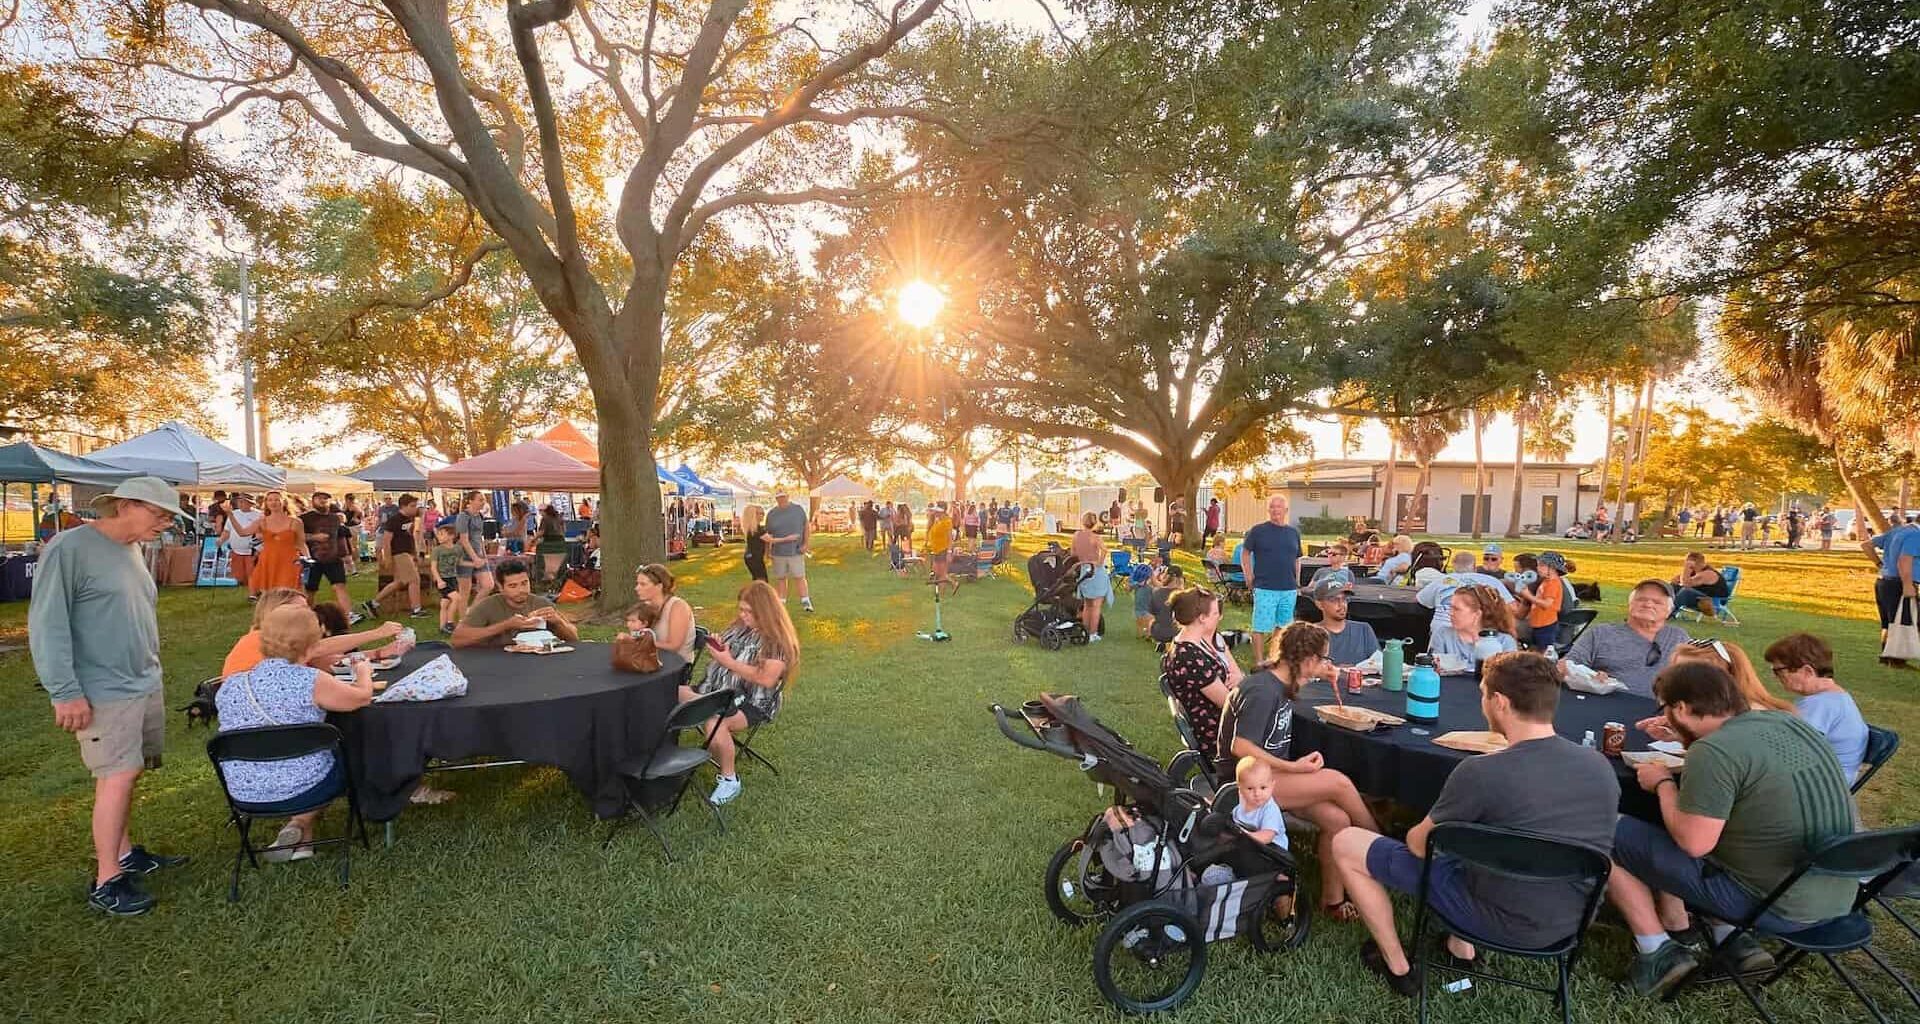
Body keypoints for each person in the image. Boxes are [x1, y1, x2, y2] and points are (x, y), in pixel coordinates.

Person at [1330, 651, 1619, 997]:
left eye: (1483, 694)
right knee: (1486, 846)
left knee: (1347, 842)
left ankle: (1399, 967)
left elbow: (1419, 846)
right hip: (1570, 922)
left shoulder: (1481, 772)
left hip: (1494, 918)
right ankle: (1460, 950)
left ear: (1499, 702)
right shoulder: (1600, 767)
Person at [1607, 660, 1858, 997]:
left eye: (1665, 709)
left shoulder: (1715, 751)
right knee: (1715, 826)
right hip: (1835, 895)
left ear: (1680, 708)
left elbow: (1693, 844)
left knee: (1603, 828)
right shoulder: (1788, 722)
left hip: (1777, 906)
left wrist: (1664, 783)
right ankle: (1733, 941)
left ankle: (1658, 951)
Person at [28, 477, 193, 916]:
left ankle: (123, 853)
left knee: (131, 771)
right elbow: (47, 624)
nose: (165, 523)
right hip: (103, 688)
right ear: (124, 506)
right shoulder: (69, 549)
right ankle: (107, 879)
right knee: (116, 775)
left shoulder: (133, 549)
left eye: (168, 517)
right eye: (158, 514)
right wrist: (64, 692)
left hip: (140, 680)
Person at [1215, 622, 1380, 918]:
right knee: (1338, 783)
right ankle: (1381, 847)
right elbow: (1240, 747)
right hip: (1248, 781)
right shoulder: (1263, 690)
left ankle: (1332, 902)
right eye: (1324, 659)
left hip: (1272, 776)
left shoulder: (1281, 680)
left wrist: (1323, 674)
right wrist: (1293, 767)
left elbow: (1301, 680)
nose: (1327, 664)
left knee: (1338, 819)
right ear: (1307, 660)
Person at [214, 603, 376, 861]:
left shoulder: (231, 685)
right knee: (338, 754)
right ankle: (300, 823)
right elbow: (361, 698)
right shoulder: (310, 681)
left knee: (297, 757)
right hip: (306, 788)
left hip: (244, 792)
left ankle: (303, 844)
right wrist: (363, 672)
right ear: (312, 646)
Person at [686, 581, 798, 805]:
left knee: (715, 723)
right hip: (716, 689)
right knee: (669, 693)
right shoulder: (740, 627)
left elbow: (766, 679)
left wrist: (727, 661)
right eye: (741, 609)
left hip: (752, 701)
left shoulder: (776, 641)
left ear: (765, 611)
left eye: (749, 611)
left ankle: (729, 779)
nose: (743, 615)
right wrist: (720, 646)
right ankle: (663, 755)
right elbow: (728, 655)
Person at [223, 587, 405, 676]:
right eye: (298, 610)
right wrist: (377, 633)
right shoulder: (259, 638)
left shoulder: (280, 639)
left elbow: (325, 662)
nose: (308, 614)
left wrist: (377, 653)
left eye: (306, 608)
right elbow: (319, 648)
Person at [1765, 633, 1869, 781]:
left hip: (1822, 784)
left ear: (1807, 671)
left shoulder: (1821, 704)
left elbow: (1789, 749)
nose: (1774, 677)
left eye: (1779, 671)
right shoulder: (1834, 697)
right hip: (1828, 779)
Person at [1561, 580, 1689, 698]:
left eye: (1657, 602)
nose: (1648, 604)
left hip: (1658, 712)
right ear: (1630, 604)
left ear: (1669, 610)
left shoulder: (1678, 637)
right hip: (1606, 704)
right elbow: (1568, 665)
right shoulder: (1600, 633)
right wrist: (1590, 676)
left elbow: (1693, 678)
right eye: (1641, 599)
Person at [1160, 589, 1242, 756]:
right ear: (1202, 618)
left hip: (1217, 722)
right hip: (1217, 733)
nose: (1219, 617)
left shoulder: (1191, 645)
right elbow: (1228, 704)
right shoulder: (1189, 656)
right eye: (1215, 613)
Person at [452, 560, 578, 648]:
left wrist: (558, 622)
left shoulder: (542, 603)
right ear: (501, 587)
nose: (521, 590)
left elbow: (574, 639)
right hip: (496, 663)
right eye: (513, 586)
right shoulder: (488, 605)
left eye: (524, 583)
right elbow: (457, 640)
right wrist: (506, 626)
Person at [1240, 495, 1305, 655]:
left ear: (1286, 510)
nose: (1275, 510)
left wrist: (1296, 582)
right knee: (1260, 627)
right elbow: (1245, 553)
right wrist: (1248, 576)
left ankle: (1273, 657)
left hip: (1288, 588)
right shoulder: (1258, 531)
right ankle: (1259, 663)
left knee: (1283, 627)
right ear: (1268, 510)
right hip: (1265, 587)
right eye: (1272, 507)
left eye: (1279, 507)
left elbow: (1297, 559)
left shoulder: (1293, 533)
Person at [1864, 513, 1919, 668]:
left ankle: (1887, 657)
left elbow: (1866, 545)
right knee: (1904, 621)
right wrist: (1908, 585)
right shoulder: (1916, 535)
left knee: (1888, 622)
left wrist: (1879, 564)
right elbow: (1904, 560)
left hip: (1883, 581)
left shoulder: (1898, 531)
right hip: (1899, 583)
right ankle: (1896, 660)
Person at [231, 489, 306, 595]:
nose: (273, 502)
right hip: (268, 560)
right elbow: (242, 532)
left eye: (276, 500)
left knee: (291, 591)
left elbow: (301, 544)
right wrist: (230, 514)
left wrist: (308, 559)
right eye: (270, 500)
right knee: (269, 593)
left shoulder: (296, 522)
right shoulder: (262, 521)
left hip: (289, 560)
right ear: (266, 503)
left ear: (284, 502)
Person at [1427, 585, 1518, 672]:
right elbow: (1431, 668)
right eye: (1451, 608)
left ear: (1477, 614)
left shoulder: (1504, 642)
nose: (1450, 613)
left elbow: (1509, 678)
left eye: (1456, 609)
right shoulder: (1442, 634)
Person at [298, 492, 358, 622]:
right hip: (312, 559)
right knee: (310, 590)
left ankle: (348, 615)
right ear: (313, 501)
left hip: (333, 558)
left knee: (339, 586)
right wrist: (314, 537)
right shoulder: (304, 518)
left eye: (325, 498)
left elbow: (340, 537)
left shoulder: (335, 518)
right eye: (319, 498)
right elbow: (297, 537)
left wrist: (348, 552)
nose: (323, 501)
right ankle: (306, 616)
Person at [364, 494, 425, 620]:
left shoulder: (410, 519)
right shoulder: (394, 520)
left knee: (400, 582)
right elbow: (386, 540)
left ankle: (373, 603)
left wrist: (414, 553)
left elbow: (410, 537)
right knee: (414, 579)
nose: (414, 509)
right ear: (403, 506)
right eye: (412, 506)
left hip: (407, 552)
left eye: (415, 506)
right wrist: (387, 558)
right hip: (399, 553)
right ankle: (416, 609)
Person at [625, 563, 697, 663]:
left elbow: (674, 646)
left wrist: (642, 643)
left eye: (643, 584)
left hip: (676, 665)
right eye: (637, 583)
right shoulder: (646, 606)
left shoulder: (678, 607)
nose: (636, 588)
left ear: (659, 586)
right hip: (651, 659)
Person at [1305, 576, 1381, 666]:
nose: (1342, 605)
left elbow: (1379, 664)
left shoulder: (1364, 629)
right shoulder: (1310, 634)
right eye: (1334, 600)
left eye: (1344, 599)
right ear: (1319, 604)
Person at [763, 491, 813, 613]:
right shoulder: (772, 513)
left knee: (799, 576)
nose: (781, 499)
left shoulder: (798, 509)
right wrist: (767, 550)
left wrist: (805, 544)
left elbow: (806, 527)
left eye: (783, 497)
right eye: (778, 497)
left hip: (795, 550)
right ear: (776, 499)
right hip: (778, 552)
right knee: (781, 578)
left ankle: (806, 601)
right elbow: (767, 535)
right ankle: (782, 603)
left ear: (788, 497)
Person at [1230, 757, 1291, 853]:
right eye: (1250, 788)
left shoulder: (1270, 810)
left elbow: (1267, 836)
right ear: (1240, 789)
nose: (1257, 794)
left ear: (1272, 786)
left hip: (1272, 854)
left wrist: (1244, 837)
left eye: (1263, 788)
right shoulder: (1243, 801)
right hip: (1250, 850)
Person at [1070, 512, 1111, 642]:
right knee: (1096, 605)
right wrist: (1099, 562)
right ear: (1094, 523)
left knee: (1087, 604)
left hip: (1083, 570)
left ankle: (1085, 631)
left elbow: (1073, 553)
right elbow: (1104, 550)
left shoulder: (1076, 536)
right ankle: (1093, 633)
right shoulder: (1096, 537)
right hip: (1095, 571)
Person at [1515, 550, 1568, 650]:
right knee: (1535, 649)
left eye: (1541, 565)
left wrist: (1528, 595)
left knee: (1543, 652)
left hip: (1546, 625)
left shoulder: (1553, 583)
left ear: (1552, 568)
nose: (1538, 568)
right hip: (1538, 623)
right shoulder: (1546, 582)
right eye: (1538, 565)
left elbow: (1547, 604)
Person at [452, 491, 496, 608]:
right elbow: (464, 540)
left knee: (488, 585)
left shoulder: (480, 516)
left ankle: (471, 612)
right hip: (465, 556)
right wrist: (475, 558)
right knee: (465, 592)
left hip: (478, 554)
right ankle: (463, 619)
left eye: (483, 500)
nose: (483, 502)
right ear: (470, 501)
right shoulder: (463, 516)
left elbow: (479, 537)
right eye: (480, 500)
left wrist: (484, 555)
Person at [427, 522, 469, 634]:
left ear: (451, 536)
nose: (439, 537)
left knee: (445, 603)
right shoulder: (437, 550)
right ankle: (450, 623)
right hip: (442, 579)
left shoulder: (457, 549)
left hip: (452, 578)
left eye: (442, 534)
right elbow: (433, 567)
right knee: (456, 598)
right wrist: (439, 580)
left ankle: (442, 627)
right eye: (438, 534)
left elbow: (460, 562)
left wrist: (474, 564)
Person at [1669, 552, 1732, 619]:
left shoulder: (1708, 574)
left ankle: (1669, 613)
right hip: (1701, 598)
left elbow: (1686, 584)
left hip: (1712, 602)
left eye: (1687, 562)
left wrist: (1686, 568)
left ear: (1694, 563)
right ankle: (1664, 608)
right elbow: (1678, 581)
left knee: (1686, 591)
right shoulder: (1696, 570)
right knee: (1673, 587)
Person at [224, 493, 262, 598]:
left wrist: (258, 547)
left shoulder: (259, 515)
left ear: (250, 503)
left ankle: (252, 594)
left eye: (242, 501)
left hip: (252, 549)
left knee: (251, 572)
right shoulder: (234, 514)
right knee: (240, 576)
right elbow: (227, 530)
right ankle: (256, 589)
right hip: (237, 550)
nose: (239, 503)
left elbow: (258, 533)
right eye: (239, 501)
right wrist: (221, 540)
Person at [1146, 565, 1184, 645]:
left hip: (1159, 633)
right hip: (1178, 633)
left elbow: (1150, 616)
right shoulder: (1184, 596)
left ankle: (1158, 641)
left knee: (1152, 621)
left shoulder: (1156, 593)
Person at [926, 508, 957, 597]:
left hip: (943, 550)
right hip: (936, 550)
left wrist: (949, 552)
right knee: (936, 571)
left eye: (936, 511)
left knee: (942, 573)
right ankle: (953, 583)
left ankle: (942, 592)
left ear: (942, 512)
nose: (935, 513)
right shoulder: (937, 521)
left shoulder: (947, 522)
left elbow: (950, 538)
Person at [534, 504, 568, 581]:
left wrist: (533, 539)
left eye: (540, 511)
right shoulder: (559, 518)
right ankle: (560, 579)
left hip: (549, 543)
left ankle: (544, 580)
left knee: (546, 563)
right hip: (561, 543)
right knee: (560, 563)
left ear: (545, 511)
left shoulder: (545, 519)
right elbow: (564, 530)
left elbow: (541, 532)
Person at [739, 503, 769, 582]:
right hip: (753, 557)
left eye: (763, 513)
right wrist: (788, 538)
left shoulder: (755, 528)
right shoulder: (755, 529)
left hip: (752, 557)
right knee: (762, 580)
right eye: (760, 513)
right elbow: (770, 539)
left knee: (758, 579)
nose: (763, 515)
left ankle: (755, 594)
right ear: (754, 515)